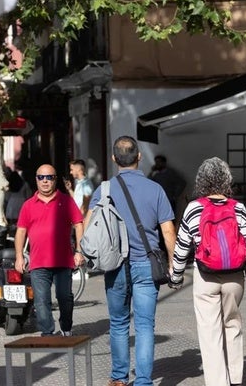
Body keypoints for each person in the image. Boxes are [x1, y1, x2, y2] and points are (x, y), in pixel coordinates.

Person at [85, 136, 176, 386]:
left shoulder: (103, 190)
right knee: (145, 325)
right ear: (139, 157)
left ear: (114, 159)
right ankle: (144, 381)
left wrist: (89, 256)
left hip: (115, 266)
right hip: (147, 264)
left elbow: (87, 225)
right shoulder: (155, 189)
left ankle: (118, 378)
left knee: (118, 323)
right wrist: (173, 265)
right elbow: (167, 230)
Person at [169, 157, 246, 386]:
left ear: (201, 181)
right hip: (235, 278)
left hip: (206, 277)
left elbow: (182, 247)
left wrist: (176, 277)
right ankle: (236, 379)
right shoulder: (238, 208)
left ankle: (218, 383)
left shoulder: (194, 208)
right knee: (232, 325)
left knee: (210, 333)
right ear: (227, 180)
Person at [14, 164, 84, 336]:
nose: (45, 181)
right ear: (36, 180)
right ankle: (47, 332)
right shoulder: (28, 205)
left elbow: (79, 224)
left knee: (64, 297)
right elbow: (21, 231)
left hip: (63, 260)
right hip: (38, 262)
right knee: (41, 300)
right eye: (41, 177)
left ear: (55, 179)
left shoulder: (66, 201)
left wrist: (79, 251)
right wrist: (19, 257)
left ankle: (66, 327)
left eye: (49, 177)